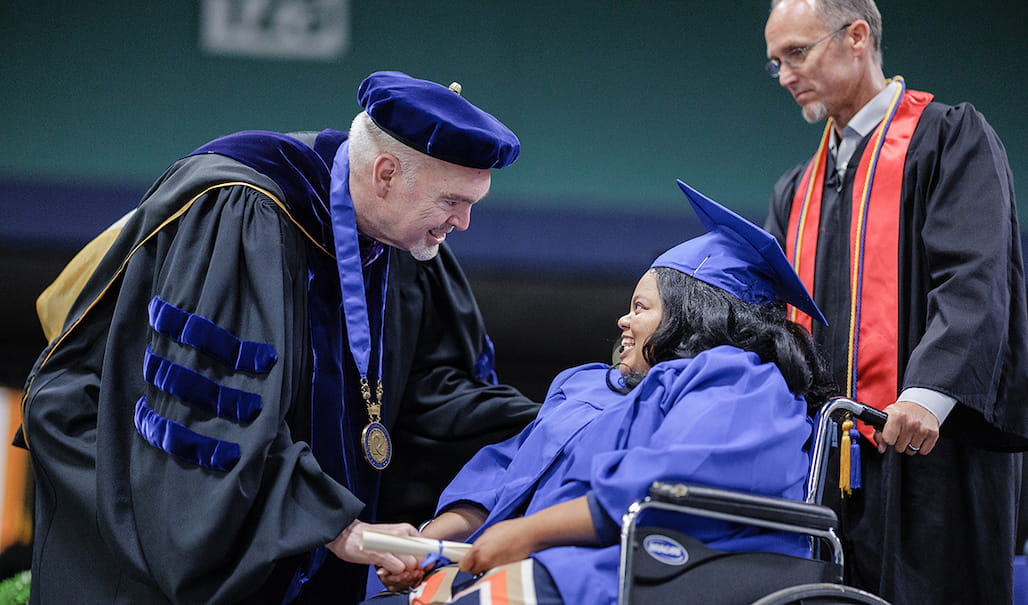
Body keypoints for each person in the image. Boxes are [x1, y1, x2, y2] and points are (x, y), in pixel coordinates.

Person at [15, 70, 540, 604]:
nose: (465, 222)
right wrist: (331, 524)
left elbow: (431, 395)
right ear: (385, 173)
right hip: (137, 515)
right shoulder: (247, 212)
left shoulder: (401, 241)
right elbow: (208, 413)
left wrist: (566, 419)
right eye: (453, 200)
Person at [360, 180, 833, 604]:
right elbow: (502, 475)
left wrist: (526, 536)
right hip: (538, 560)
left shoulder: (742, 382)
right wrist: (429, 544)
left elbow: (672, 482)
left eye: (641, 307)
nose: (623, 321)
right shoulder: (588, 385)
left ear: (693, 314)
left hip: (649, 568)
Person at [762, 1, 1028, 603]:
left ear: (857, 37)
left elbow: (975, 278)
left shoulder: (949, 139)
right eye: (775, 62)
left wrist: (928, 394)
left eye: (797, 53)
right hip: (823, 470)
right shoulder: (796, 189)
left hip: (927, 455)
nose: (784, 76)